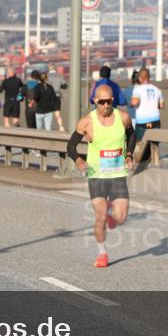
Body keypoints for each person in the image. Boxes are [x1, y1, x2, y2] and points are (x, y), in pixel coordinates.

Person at [67, 84, 136, 269]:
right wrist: (79, 161)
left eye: (109, 101)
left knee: (121, 216)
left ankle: (114, 218)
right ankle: (102, 253)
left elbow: (132, 136)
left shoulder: (123, 117)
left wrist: (129, 155)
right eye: (102, 102)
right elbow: (70, 147)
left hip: (117, 174)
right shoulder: (86, 122)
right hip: (96, 175)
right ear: (95, 101)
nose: (106, 105)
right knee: (101, 217)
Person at [130, 68, 164, 164]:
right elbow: (162, 105)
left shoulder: (138, 89)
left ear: (140, 78)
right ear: (149, 77)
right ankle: (155, 163)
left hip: (142, 122)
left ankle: (137, 165)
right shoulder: (157, 89)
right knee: (154, 144)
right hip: (155, 121)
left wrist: (132, 104)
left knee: (139, 143)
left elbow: (135, 102)